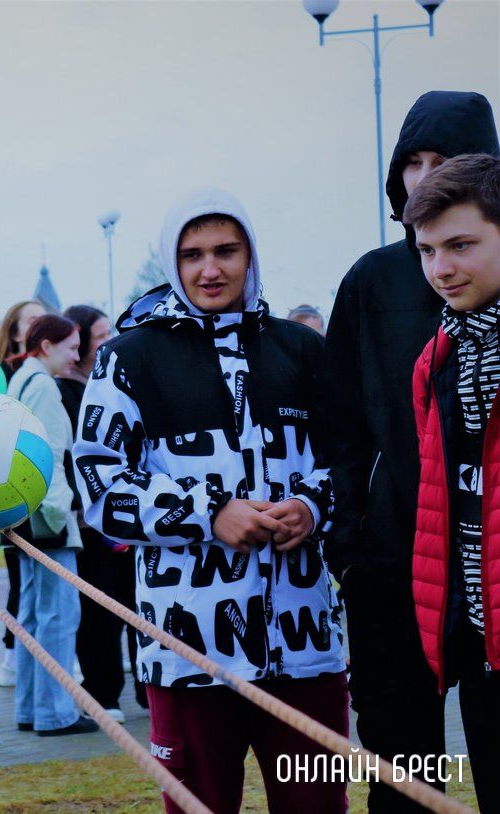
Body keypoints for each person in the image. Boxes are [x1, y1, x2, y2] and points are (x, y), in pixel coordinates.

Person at [74, 188, 346, 814]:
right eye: (192, 254)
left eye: (227, 250)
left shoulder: (302, 349)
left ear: (252, 256)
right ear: (173, 263)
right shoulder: (126, 359)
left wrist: (312, 506)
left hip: (306, 651)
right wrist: (208, 513)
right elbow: (100, 489)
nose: (210, 269)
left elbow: (352, 463)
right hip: (188, 653)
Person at [319, 90, 500, 810]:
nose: (425, 179)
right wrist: (349, 534)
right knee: (400, 763)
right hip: (397, 553)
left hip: (487, 560)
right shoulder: (371, 279)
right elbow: (340, 419)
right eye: (412, 164)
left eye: (445, 162)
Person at [405, 154, 500, 814]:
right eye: (428, 250)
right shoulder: (435, 356)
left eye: (461, 245)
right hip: (477, 643)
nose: (441, 269)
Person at [7, 314, 98, 736]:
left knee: (32, 616)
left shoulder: (22, 380)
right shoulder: (43, 386)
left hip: (25, 516)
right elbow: (49, 457)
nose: (77, 355)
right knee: (59, 616)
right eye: (71, 346)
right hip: (48, 519)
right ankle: (55, 712)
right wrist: (62, 514)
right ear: (46, 346)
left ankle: (30, 707)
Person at [57, 305, 143, 720]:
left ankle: (147, 687)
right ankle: (103, 694)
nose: (109, 340)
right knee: (99, 614)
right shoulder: (65, 389)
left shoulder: (119, 383)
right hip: (92, 522)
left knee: (136, 606)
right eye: (101, 334)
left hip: (129, 518)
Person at [0, 299, 45, 686]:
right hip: (8, 487)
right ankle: (12, 651)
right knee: (20, 575)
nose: (41, 325)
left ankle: (27, 654)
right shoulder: (7, 376)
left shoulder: (44, 373)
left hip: (35, 485)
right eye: (32, 321)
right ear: (14, 331)